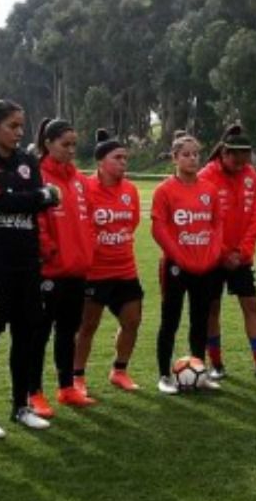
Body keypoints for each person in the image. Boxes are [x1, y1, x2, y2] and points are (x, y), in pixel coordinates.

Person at [0, 98, 61, 437]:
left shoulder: (27, 160)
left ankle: (21, 407)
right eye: (13, 126)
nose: (20, 133)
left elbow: (27, 203)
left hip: (26, 262)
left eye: (21, 126)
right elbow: (2, 199)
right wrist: (39, 197)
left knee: (25, 336)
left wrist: (28, 200)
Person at [199, 124, 256, 382]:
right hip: (213, 258)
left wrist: (242, 252)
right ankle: (216, 365)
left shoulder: (251, 177)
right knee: (212, 310)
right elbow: (205, 222)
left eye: (245, 160)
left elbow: (255, 218)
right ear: (223, 153)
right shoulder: (206, 177)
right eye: (236, 160)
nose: (241, 165)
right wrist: (224, 253)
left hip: (242, 258)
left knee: (252, 307)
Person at [151, 133, 225, 394]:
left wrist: (213, 254)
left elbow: (217, 224)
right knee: (170, 321)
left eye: (196, 154)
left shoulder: (209, 190)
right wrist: (180, 258)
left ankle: (199, 373)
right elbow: (158, 228)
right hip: (176, 267)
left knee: (200, 321)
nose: (193, 159)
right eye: (186, 154)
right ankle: (164, 376)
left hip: (205, 267)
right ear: (174, 158)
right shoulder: (164, 190)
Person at [33, 119, 96, 408]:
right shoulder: (37, 176)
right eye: (65, 144)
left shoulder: (80, 180)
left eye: (74, 145)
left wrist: (87, 252)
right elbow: (36, 221)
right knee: (39, 334)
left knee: (68, 331)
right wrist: (49, 251)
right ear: (48, 144)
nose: (71, 150)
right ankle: (34, 393)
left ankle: (66, 387)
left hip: (77, 269)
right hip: (49, 270)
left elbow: (89, 220)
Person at [75, 130, 144, 392]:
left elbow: (132, 222)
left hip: (125, 268)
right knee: (87, 325)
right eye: (117, 158)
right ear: (101, 162)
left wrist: (116, 239)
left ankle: (119, 371)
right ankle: (77, 377)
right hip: (94, 271)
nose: (123, 162)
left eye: (125, 158)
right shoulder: (85, 188)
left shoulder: (130, 190)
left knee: (132, 321)